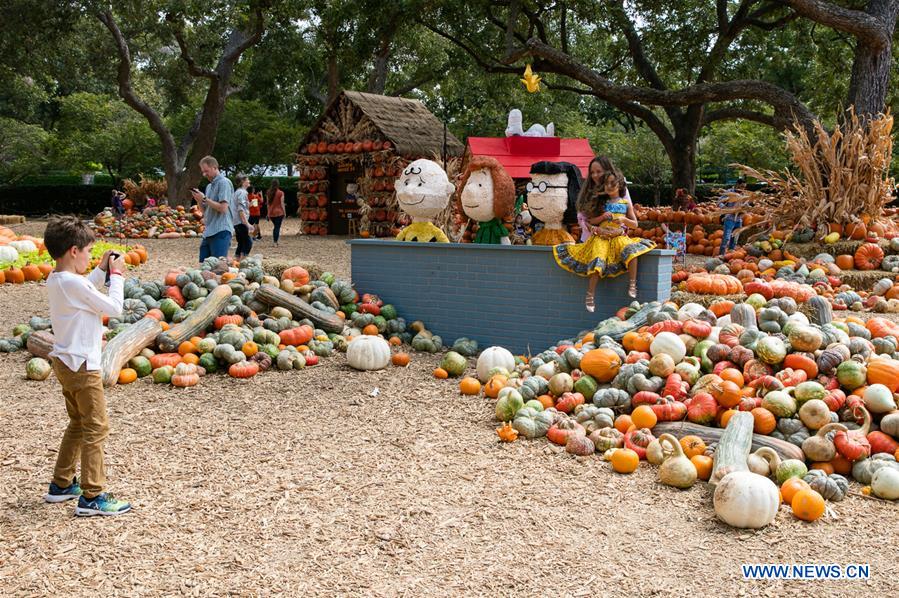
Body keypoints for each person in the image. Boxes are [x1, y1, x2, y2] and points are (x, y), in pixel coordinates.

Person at [42, 216, 131, 516]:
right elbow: (114, 309)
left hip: (66, 362)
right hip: (83, 366)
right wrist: (116, 275)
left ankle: (62, 484)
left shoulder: (58, 279)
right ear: (73, 251)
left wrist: (100, 269)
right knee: (96, 425)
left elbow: (84, 290)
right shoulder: (71, 283)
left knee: (79, 423)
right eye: (89, 252)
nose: (91, 257)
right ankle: (93, 496)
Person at [554, 169, 657, 310]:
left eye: (613, 183)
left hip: (618, 236)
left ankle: (632, 284)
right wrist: (602, 218)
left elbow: (635, 224)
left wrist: (623, 219)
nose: (609, 185)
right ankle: (590, 295)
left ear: (620, 185)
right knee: (597, 260)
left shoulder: (626, 204)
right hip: (601, 237)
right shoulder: (601, 203)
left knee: (632, 251)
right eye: (606, 183)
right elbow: (591, 220)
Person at [576, 157, 632, 242]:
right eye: (592, 172)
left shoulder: (620, 190)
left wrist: (620, 230)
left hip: (614, 241)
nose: (594, 175)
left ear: (608, 171)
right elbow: (582, 218)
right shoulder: (587, 191)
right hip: (588, 240)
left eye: (599, 172)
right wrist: (597, 229)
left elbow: (627, 217)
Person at [190, 156, 233, 263]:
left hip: (221, 231)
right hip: (208, 232)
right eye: (202, 172)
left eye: (206, 171)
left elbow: (223, 208)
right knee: (203, 268)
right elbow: (205, 212)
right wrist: (199, 200)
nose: (204, 174)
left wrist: (204, 198)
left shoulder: (224, 183)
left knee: (218, 269)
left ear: (215, 167)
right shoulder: (209, 186)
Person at [718, 180, 746, 255]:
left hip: (739, 219)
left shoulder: (744, 194)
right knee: (726, 238)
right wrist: (726, 208)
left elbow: (745, 205)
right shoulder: (729, 192)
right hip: (729, 218)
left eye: (744, 187)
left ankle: (730, 255)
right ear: (737, 184)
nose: (742, 189)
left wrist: (747, 208)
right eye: (741, 187)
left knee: (734, 240)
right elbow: (719, 202)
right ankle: (721, 255)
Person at [231, 174, 253, 260]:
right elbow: (240, 209)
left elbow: (239, 206)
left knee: (241, 242)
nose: (249, 181)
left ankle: (236, 261)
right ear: (243, 182)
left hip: (236, 221)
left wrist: (248, 205)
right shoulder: (242, 192)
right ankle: (243, 262)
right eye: (248, 180)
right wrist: (247, 223)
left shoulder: (237, 192)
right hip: (241, 221)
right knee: (248, 243)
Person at [266, 179, 285, 247]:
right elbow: (282, 203)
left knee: (275, 227)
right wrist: (284, 212)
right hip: (279, 212)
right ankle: (275, 242)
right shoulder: (281, 193)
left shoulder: (268, 192)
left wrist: (268, 213)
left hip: (271, 213)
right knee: (277, 227)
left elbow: (268, 204)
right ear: (278, 184)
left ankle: (275, 241)